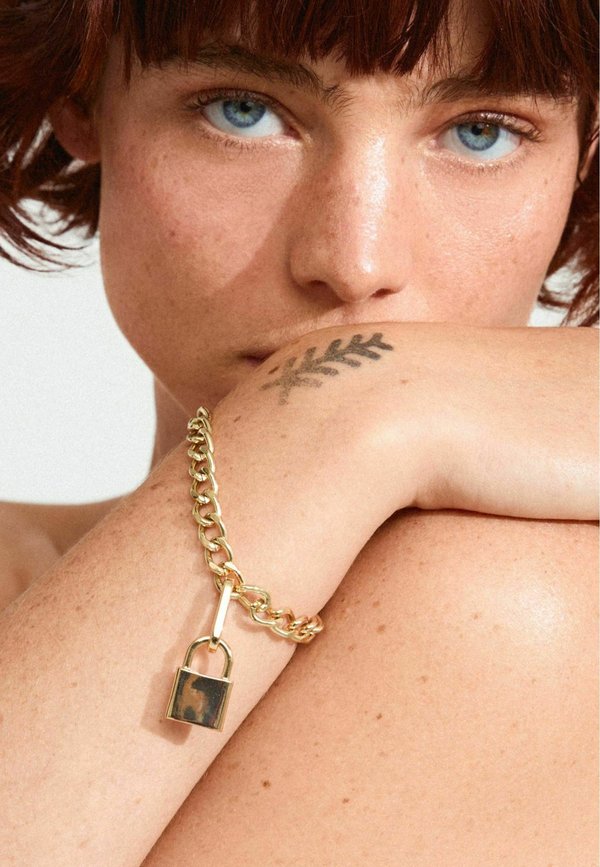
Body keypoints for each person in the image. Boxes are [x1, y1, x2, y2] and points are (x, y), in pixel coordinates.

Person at [0, 0, 598, 863]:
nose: (355, 262)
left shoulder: (506, 602)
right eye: (243, 110)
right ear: (81, 94)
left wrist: (352, 406)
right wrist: (337, 409)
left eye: (481, 133)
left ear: (587, 150)